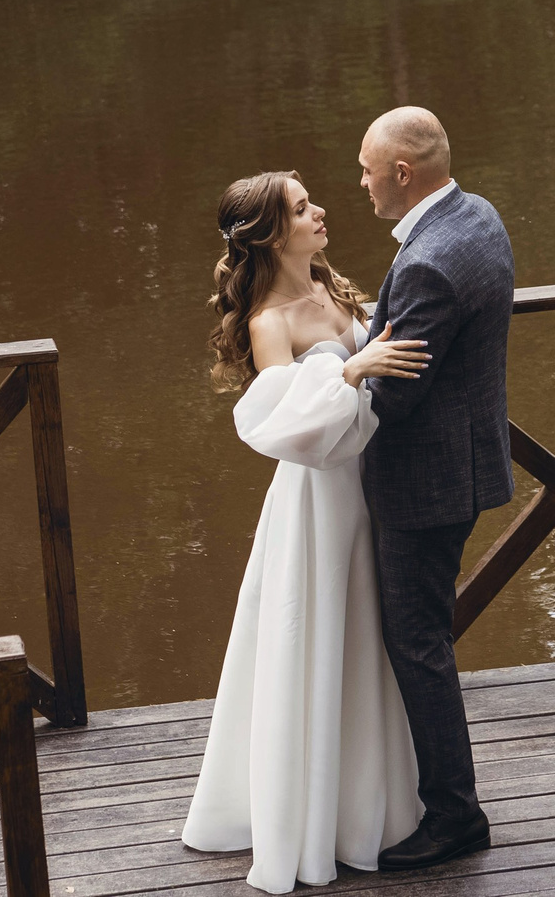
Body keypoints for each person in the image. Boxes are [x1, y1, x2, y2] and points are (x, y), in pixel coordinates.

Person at [181, 170, 432, 893]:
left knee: (369, 641)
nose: (319, 210)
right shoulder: (270, 320)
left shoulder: (333, 288)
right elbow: (285, 427)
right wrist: (353, 367)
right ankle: (313, 821)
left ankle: (371, 807)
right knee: (319, 639)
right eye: (300, 207)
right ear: (270, 233)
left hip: (369, 492)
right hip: (318, 502)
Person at [355, 106, 514, 871]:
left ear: (402, 173)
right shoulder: (476, 216)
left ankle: (455, 816)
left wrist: (333, 377)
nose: (360, 181)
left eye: (365, 168)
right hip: (466, 460)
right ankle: (442, 799)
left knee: (417, 642)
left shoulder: (426, 261)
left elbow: (395, 395)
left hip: (424, 482)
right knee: (426, 638)